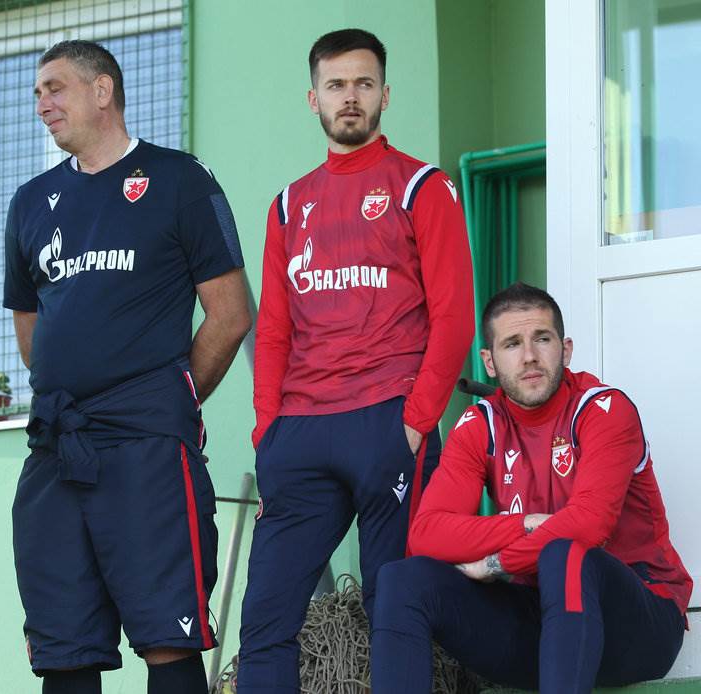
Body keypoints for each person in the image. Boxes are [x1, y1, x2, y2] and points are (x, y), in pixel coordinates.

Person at [4, 40, 250, 694]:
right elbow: (32, 333)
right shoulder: (30, 203)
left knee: (167, 639)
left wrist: (169, 396)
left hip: (147, 449)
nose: (42, 104)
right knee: (64, 648)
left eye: (55, 88)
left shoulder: (178, 180)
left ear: (103, 90)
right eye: (36, 93)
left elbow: (230, 315)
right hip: (56, 450)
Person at [238, 28, 474, 692]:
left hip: (387, 422)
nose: (350, 98)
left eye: (364, 84)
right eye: (337, 85)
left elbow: (454, 319)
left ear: (385, 95)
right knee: (265, 619)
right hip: (300, 434)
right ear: (312, 97)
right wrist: (267, 433)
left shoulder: (421, 187)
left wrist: (414, 421)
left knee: (394, 610)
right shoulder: (288, 204)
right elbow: (275, 331)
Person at [370, 282, 691, 693]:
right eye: (512, 344)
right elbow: (428, 533)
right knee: (402, 579)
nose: (529, 357)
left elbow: (588, 526)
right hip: (545, 627)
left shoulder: (604, 410)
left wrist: (495, 563)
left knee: (565, 553)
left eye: (542, 339)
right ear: (488, 361)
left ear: (566, 349)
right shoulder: (478, 425)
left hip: (638, 627)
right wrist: (526, 523)